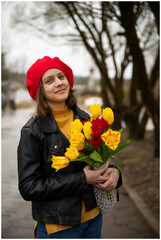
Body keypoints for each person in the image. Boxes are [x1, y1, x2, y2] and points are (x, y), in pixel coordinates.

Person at [17, 56, 122, 239]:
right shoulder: (32, 131)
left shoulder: (85, 119)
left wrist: (114, 173)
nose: (58, 83)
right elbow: (29, 187)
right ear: (40, 91)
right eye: (49, 80)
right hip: (59, 227)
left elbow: (98, 159)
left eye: (61, 76)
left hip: (93, 219)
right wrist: (82, 179)